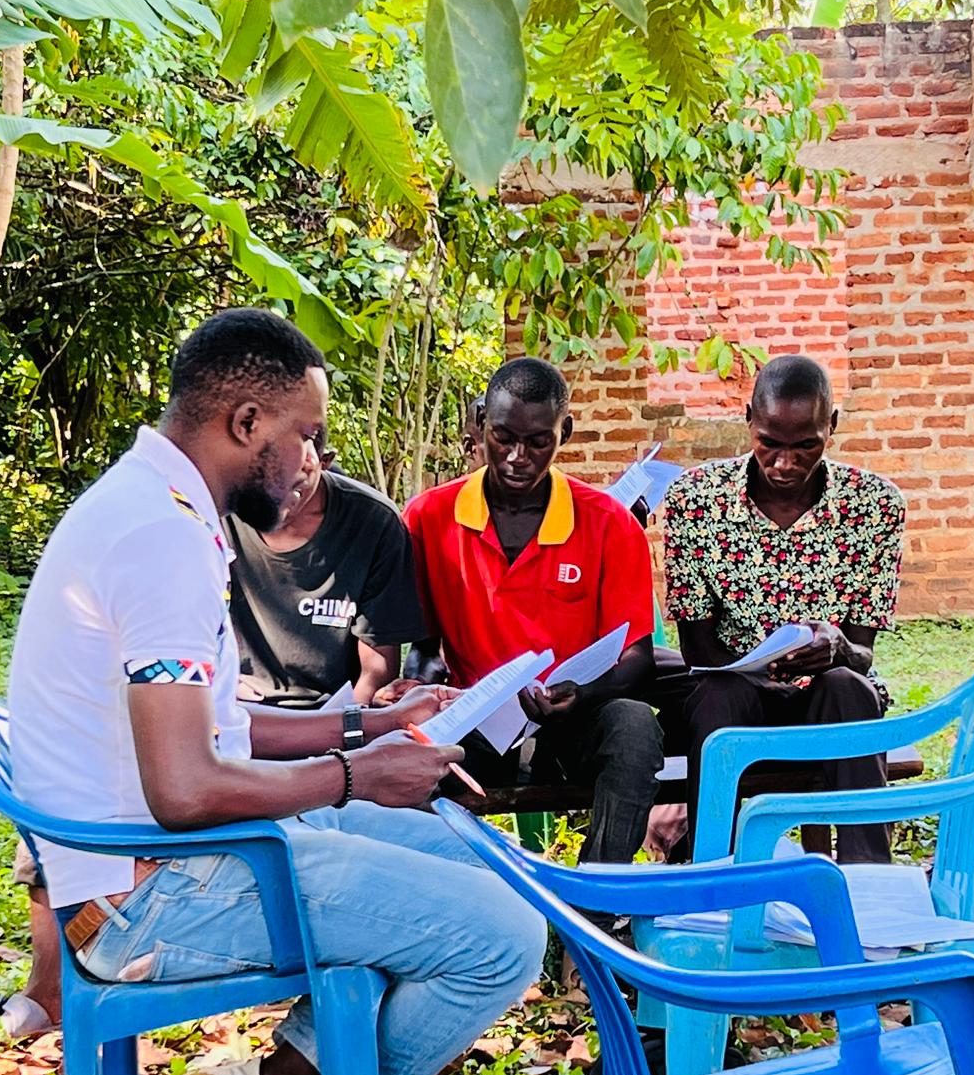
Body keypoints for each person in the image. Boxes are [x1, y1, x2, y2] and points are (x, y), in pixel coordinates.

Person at [6, 307, 546, 1075]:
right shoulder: (159, 540)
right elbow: (183, 790)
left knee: (482, 865)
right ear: (248, 424)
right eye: (306, 435)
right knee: (504, 941)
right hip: (148, 897)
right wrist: (356, 782)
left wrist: (362, 732)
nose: (311, 462)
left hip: (167, 854)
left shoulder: (159, 506)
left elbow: (220, 729)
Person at [404, 358, 663, 864]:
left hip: (573, 723)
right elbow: (423, 651)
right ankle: (447, 900)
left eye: (539, 441)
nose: (517, 457)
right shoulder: (429, 517)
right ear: (479, 422)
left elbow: (638, 661)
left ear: (564, 432)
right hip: (475, 727)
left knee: (633, 727)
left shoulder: (610, 523)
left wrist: (583, 693)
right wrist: (430, 691)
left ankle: (594, 907)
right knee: (404, 751)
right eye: (502, 437)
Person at [663, 353, 907, 862]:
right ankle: (712, 870)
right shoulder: (697, 499)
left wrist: (837, 646)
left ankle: (870, 881)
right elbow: (697, 648)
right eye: (769, 443)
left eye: (806, 446)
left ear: (832, 426)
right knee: (715, 696)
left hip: (825, 699)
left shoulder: (874, 505)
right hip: (734, 696)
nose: (784, 463)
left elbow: (862, 652)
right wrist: (753, 671)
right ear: (748, 419)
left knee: (850, 688)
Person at [227, 435, 423, 703]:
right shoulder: (215, 512)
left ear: (321, 462)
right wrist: (218, 682)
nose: (276, 499)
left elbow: (376, 670)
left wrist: (347, 726)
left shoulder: (374, 522)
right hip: (236, 710)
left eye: (293, 485)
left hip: (333, 711)